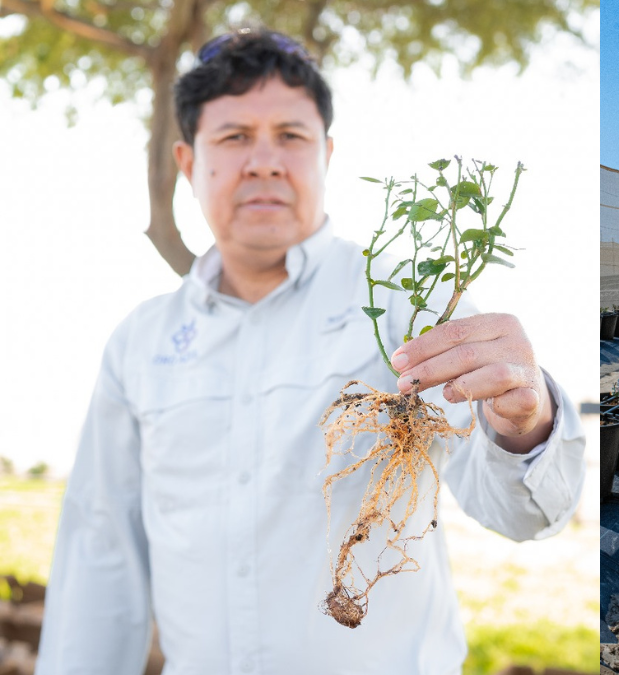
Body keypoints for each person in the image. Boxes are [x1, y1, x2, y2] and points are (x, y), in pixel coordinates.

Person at [35, 29, 586, 674]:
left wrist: (526, 421)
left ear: (325, 153)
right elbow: (101, 559)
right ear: (188, 163)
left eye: (290, 137)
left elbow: (525, 514)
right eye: (234, 137)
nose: (264, 161)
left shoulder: (408, 299)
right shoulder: (141, 342)